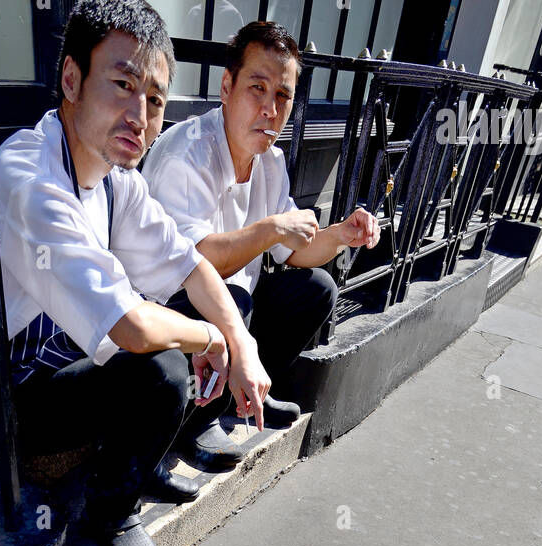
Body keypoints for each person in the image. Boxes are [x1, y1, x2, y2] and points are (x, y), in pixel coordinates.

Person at [0, 0, 270, 546]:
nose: (139, 115)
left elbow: (190, 265)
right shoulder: (28, 174)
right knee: (164, 363)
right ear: (71, 79)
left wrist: (240, 345)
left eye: (154, 99)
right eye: (122, 84)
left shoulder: (118, 181)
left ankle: (142, 463)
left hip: (75, 360)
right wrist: (209, 339)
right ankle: (109, 515)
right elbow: (132, 327)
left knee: (205, 307)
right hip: (21, 394)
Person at [142, 19, 381, 468]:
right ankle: (196, 421)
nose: (270, 108)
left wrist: (342, 234)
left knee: (316, 288)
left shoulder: (270, 161)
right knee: (231, 296)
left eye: (283, 95)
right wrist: (271, 228)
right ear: (227, 87)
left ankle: (247, 394)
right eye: (258, 87)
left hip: (231, 304)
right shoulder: (187, 153)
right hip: (168, 308)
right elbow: (193, 264)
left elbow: (293, 251)